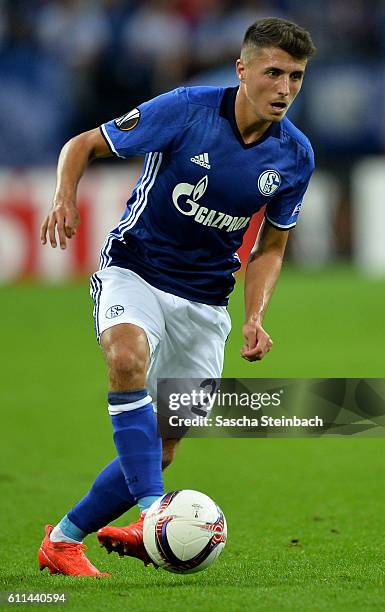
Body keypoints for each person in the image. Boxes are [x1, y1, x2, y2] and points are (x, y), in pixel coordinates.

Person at [38, 17, 316, 576]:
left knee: (161, 447)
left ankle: (64, 540)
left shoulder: (295, 155)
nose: (284, 88)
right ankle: (153, 513)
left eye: (296, 77)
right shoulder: (186, 108)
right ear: (242, 70)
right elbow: (83, 144)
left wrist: (254, 316)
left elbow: (271, 246)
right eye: (273, 73)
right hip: (135, 268)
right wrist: (65, 196)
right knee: (126, 355)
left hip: (206, 303)